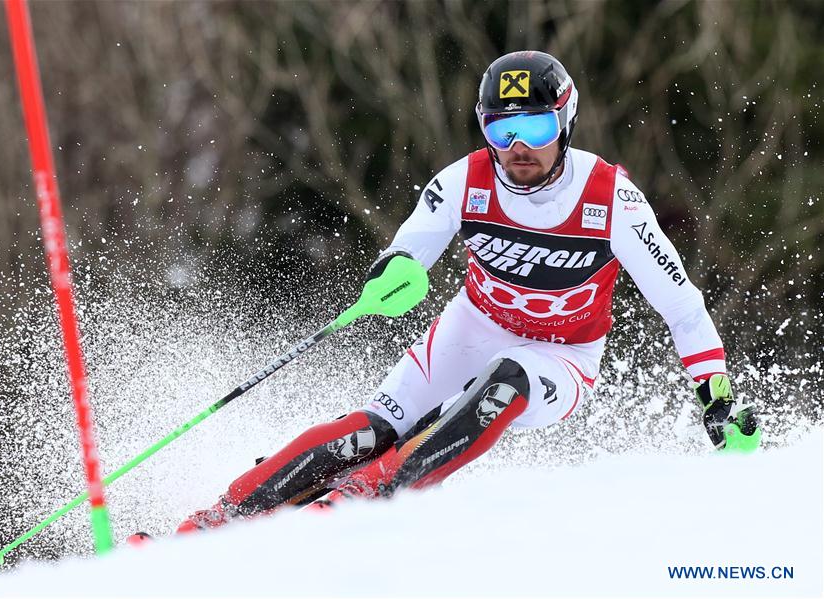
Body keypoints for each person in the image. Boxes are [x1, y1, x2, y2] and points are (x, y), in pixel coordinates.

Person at [176, 50, 760, 532]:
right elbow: (409, 247)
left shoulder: (612, 200)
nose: (518, 147)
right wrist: (396, 272)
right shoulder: (464, 181)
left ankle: (365, 501)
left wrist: (716, 393)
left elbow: (680, 304)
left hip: (562, 356)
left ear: (566, 123)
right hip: (472, 327)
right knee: (371, 431)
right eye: (500, 129)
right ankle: (217, 520)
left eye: (536, 127)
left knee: (506, 380)